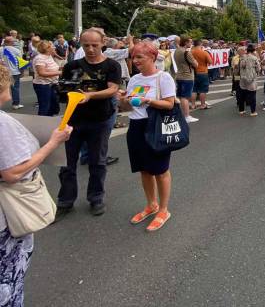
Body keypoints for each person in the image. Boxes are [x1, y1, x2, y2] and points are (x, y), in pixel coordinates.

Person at [0, 63, 72, 306]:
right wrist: (53, 142)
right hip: (7, 217)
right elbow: (13, 172)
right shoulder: (2, 124)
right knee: (9, 282)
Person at [56, 29, 122, 218]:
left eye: (94, 45)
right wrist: (61, 91)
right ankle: (65, 201)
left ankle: (96, 198)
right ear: (81, 45)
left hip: (99, 120)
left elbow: (113, 89)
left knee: (97, 162)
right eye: (86, 45)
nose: (91, 49)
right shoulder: (72, 66)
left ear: (103, 42)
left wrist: (90, 95)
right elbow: (64, 90)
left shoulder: (112, 66)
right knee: (67, 164)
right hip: (73, 121)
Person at [118, 41, 177, 232]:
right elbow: (128, 107)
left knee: (160, 170)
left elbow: (169, 104)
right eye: (133, 57)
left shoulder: (163, 77)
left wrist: (148, 100)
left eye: (139, 57)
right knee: (144, 169)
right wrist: (122, 100)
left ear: (152, 57)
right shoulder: (134, 79)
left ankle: (164, 209)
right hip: (136, 126)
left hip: (156, 126)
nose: (134, 61)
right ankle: (151, 205)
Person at [31, 41, 61, 117]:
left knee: (54, 106)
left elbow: (52, 68)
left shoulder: (49, 56)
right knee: (45, 107)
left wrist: (65, 68)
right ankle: (41, 124)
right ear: (47, 49)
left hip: (51, 84)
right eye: (52, 46)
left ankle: (49, 120)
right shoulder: (40, 58)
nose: (54, 47)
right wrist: (60, 73)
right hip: (43, 85)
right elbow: (42, 73)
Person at [173, 35, 199, 123]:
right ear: (186, 42)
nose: (191, 44)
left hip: (179, 75)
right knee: (185, 97)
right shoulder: (186, 52)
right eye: (190, 42)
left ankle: (182, 114)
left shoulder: (176, 51)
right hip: (187, 76)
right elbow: (196, 64)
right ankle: (187, 116)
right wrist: (194, 62)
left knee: (180, 97)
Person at [1, 35, 24, 110]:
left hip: (3, 71)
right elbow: (21, 62)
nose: (14, 42)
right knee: (15, 88)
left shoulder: (1, 49)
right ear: (11, 42)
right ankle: (16, 104)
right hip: (14, 72)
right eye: (13, 41)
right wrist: (22, 71)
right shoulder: (17, 50)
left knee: (2, 87)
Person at [191, 39, 213, 110]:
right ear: (200, 44)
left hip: (193, 73)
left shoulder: (190, 52)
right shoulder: (204, 52)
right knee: (202, 90)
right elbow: (210, 62)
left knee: (193, 90)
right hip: (203, 72)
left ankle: (193, 105)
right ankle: (202, 105)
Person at [239, 44, 260, 116]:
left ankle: (241, 110)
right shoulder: (254, 58)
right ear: (253, 50)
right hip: (251, 78)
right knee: (252, 95)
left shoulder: (242, 57)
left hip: (243, 77)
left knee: (242, 94)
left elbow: (241, 66)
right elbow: (258, 69)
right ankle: (253, 112)